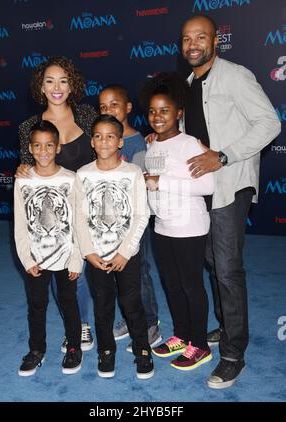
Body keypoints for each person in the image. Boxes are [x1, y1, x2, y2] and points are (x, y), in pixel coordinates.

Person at [180, 14, 281, 388]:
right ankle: (225, 328)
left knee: (226, 269)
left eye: (200, 37)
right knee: (211, 261)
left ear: (216, 40)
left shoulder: (236, 75)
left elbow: (269, 123)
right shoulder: (188, 84)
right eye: (187, 38)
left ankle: (233, 353)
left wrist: (223, 156)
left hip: (230, 184)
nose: (193, 44)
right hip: (202, 189)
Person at [16, 56, 98, 353]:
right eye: (49, 81)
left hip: (92, 206)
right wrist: (21, 169)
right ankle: (82, 325)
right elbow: (29, 170)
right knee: (62, 271)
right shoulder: (30, 126)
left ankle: (103, 320)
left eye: (63, 80)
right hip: (55, 217)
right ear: (41, 86)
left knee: (90, 267)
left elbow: (108, 142)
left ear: (72, 84)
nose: (57, 87)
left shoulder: (87, 115)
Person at [141, 72, 215, 372]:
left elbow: (207, 186)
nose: (158, 117)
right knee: (171, 285)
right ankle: (182, 336)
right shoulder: (151, 145)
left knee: (191, 286)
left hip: (189, 227)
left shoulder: (190, 144)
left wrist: (163, 181)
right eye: (153, 111)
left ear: (179, 113)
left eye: (165, 110)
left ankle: (201, 345)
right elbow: (152, 184)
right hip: (162, 227)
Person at [75, 114, 154, 379]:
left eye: (111, 136)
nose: (104, 141)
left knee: (132, 303)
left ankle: (143, 349)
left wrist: (125, 251)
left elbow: (142, 215)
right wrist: (88, 251)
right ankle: (106, 351)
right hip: (96, 256)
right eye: (98, 136)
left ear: (120, 141)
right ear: (92, 142)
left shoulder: (131, 173)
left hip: (126, 255)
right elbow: (79, 217)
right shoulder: (83, 174)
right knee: (103, 305)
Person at [14, 120, 83, 376]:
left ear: (58, 148)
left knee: (69, 303)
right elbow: (20, 224)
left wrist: (77, 259)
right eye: (37, 146)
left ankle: (74, 347)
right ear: (30, 149)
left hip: (66, 256)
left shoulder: (71, 179)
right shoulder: (23, 180)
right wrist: (26, 258)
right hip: (36, 258)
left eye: (49, 145)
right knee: (36, 305)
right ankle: (36, 350)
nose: (43, 151)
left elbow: (78, 223)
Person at [98, 85, 162, 352]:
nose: (108, 110)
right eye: (102, 107)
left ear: (127, 108)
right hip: (109, 220)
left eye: (114, 105)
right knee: (116, 273)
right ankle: (129, 318)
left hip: (136, 219)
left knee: (140, 271)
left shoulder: (141, 143)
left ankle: (150, 325)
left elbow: (150, 184)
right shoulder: (102, 140)